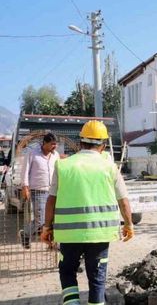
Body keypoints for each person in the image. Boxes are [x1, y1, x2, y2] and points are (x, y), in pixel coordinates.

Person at [41, 120, 134, 305]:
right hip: (100, 233)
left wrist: (46, 227)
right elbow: (123, 200)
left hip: (69, 234)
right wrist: (129, 225)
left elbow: (51, 199)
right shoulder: (110, 167)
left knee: (67, 272)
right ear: (104, 145)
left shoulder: (63, 165)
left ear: (80, 142)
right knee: (97, 277)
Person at [19, 133, 60, 249]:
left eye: (55, 144)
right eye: (52, 144)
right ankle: (25, 234)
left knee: (54, 218)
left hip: (53, 191)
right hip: (38, 191)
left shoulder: (55, 155)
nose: (54, 147)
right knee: (41, 220)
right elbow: (25, 171)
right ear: (44, 143)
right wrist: (25, 187)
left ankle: (52, 244)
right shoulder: (32, 154)